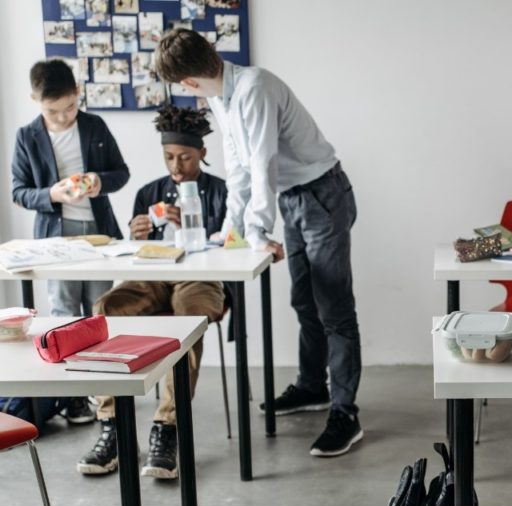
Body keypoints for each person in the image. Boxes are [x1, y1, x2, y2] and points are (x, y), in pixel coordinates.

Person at [153, 29, 363, 457]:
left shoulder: (255, 87)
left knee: (334, 308)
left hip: (321, 194)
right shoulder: (220, 96)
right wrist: (232, 230)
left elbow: (262, 161)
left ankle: (346, 413)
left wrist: (257, 231)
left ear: (187, 82)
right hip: (293, 198)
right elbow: (239, 169)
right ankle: (312, 387)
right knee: (304, 300)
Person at [77, 105, 227, 478]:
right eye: (169, 157)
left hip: (201, 277)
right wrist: (138, 233)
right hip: (153, 274)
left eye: (185, 157)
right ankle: (112, 424)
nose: (176, 166)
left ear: (202, 154)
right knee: (106, 308)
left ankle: (168, 428)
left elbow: (234, 243)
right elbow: (133, 254)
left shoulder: (222, 191)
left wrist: (200, 228)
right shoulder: (149, 192)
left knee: (188, 322)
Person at [11, 58, 130, 425]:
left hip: (97, 235)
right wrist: (52, 194)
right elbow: (19, 191)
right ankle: (73, 398)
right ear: (35, 99)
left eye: (69, 107)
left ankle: (101, 394)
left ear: (78, 93)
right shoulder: (26, 136)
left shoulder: (95, 125)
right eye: (53, 110)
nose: (63, 117)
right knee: (63, 314)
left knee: (98, 312)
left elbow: (121, 173)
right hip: (54, 239)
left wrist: (98, 181)